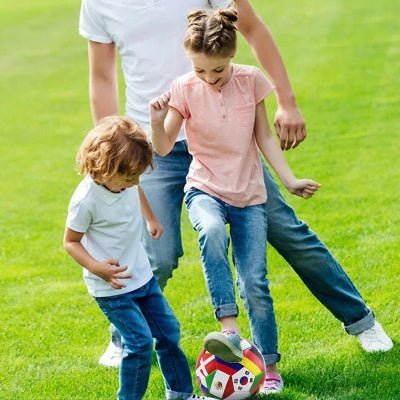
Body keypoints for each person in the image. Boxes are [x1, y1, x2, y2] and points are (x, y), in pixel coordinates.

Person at [79, 0, 392, 389]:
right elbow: (102, 79)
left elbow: (253, 28)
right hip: (153, 144)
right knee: (156, 255)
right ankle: (124, 335)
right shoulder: (98, 4)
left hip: (226, 141)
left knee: (287, 231)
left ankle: (361, 321)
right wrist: (113, 146)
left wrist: (288, 102)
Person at [149, 8, 322, 394]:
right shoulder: (183, 88)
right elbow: (161, 148)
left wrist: (290, 180)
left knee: (255, 283)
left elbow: (263, 138)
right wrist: (156, 120)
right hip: (204, 187)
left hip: (249, 194)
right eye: (200, 71)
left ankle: (269, 365)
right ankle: (228, 327)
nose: (209, 79)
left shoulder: (251, 81)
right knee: (209, 229)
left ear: (231, 58)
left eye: (218, 71)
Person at [64, 116, 215, 400]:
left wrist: (150, 219)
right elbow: (70, 242)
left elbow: (136, 189)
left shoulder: (126, 181)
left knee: (168, 332)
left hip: (143, 277)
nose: (135, 182)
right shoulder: (86, 199)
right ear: (105, 168)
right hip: (113, 288)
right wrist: (97, 268)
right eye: (129, 177)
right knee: (139, 343)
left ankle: (181, 394)